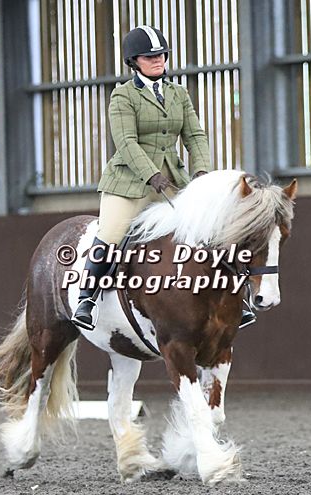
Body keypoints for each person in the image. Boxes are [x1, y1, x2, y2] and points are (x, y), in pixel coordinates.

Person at [71, 25, 256, 331]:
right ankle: (86, 300)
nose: (158, 60)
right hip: (130, 180)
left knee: (209, 227)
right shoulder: (123, 96)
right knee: (112, 233)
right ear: (134, 62)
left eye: (161, 55)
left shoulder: (178, 94)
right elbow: (126, 142)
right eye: (149, 56)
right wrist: (151, 175)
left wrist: (201, 172)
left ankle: (237, 299)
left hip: (172, 178)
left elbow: (195, 135)